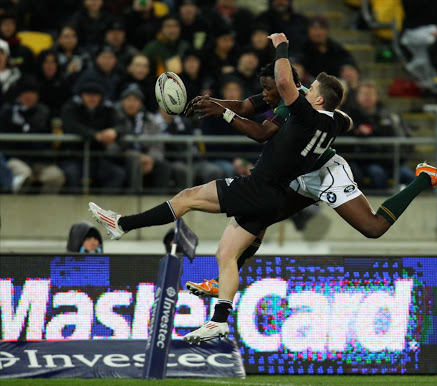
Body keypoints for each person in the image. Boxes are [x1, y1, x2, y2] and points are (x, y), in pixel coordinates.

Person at [89, 33, 348, 343]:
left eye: (310, 91)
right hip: (275, 196)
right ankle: (219, 320)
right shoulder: (331, 121)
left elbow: (270, 113)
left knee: (187, 199)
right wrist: (213, 104)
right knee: (226, 254)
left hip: (259, 185)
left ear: (314, 97)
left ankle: (123, 224)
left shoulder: (300, 111)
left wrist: (281, 44)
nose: (267, 94)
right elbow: (338, 116)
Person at [184, 66, 437, 299]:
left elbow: (272, 128)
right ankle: (223, 281)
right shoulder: (289, 98)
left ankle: (424, 177)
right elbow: (246, 105)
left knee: (373, 227)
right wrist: (215, 104)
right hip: (296, 175)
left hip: (325, 172)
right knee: (260, 213)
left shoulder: (304, 103)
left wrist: (341, 118)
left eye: (311, 87)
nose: (306, 88)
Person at [0, 76, 66, 194]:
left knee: (56, 176)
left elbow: (51, 139)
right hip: (15, 159)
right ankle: (18, 207)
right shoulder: (8, 112)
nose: (29, 96)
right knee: (24, 176)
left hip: (40, 160)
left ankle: (45, 207)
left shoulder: (45, 112)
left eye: (32, 92)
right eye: (25, 92)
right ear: (19, 95)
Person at [115, 84, 175, 193]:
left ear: (140, 103)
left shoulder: (149, 119)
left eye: (135, 100)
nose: (132, 104)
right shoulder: (115, 117)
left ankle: (159, 204)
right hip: (122, 157)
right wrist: (139, 157)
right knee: (134, 165)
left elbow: (158, 144)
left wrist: (151, 159)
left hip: (148, 158)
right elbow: (113, 146)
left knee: (164, 166)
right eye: (128, 100)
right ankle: (132, 203)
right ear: (122, 101)